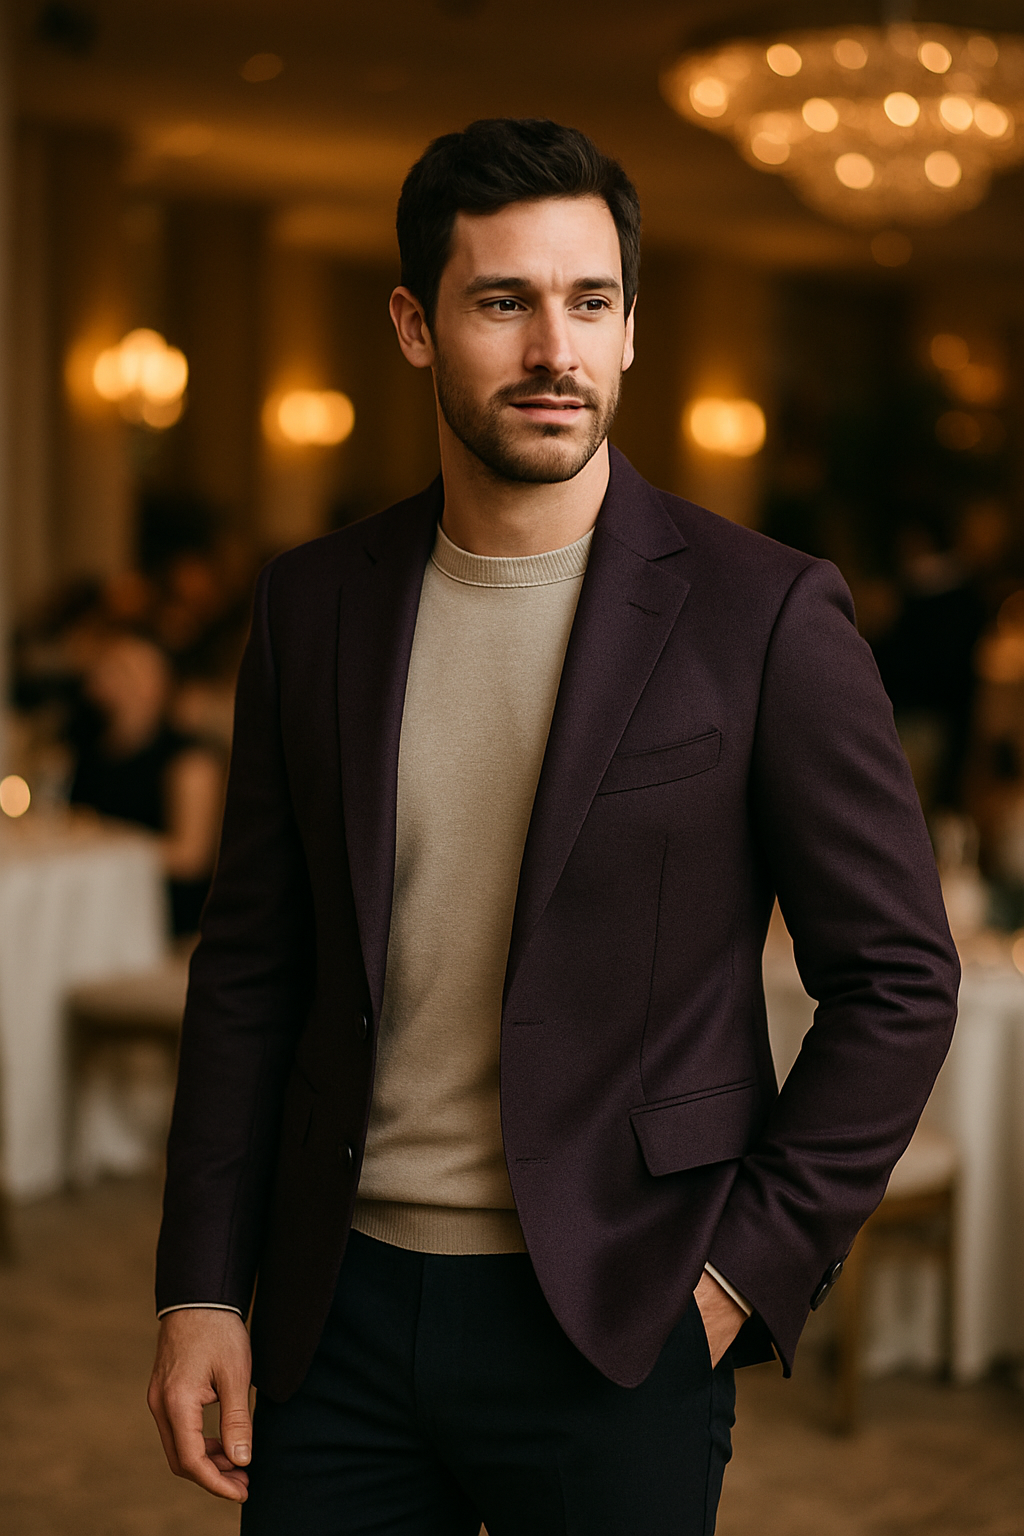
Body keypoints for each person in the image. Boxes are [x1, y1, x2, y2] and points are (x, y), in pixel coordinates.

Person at [148, 119, 959, 1534]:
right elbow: (252, 970)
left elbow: (898, 981)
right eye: (503, 301)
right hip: (335, 1313)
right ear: (415, 324)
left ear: (633, 328)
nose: (553, 350)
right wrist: (202, 1285)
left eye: (590, 303)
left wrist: (732, 1282)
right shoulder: (313, 603)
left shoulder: (762, 611)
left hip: (618, 1320)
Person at [69, 631, 224, 935]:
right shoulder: (88, 749)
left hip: (158, 909)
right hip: (96, 894)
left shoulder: (190, 760)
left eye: (127, 669)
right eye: (110, 666)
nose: (115, 677)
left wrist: (104, 849)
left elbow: (190, 858)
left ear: (163, 683)